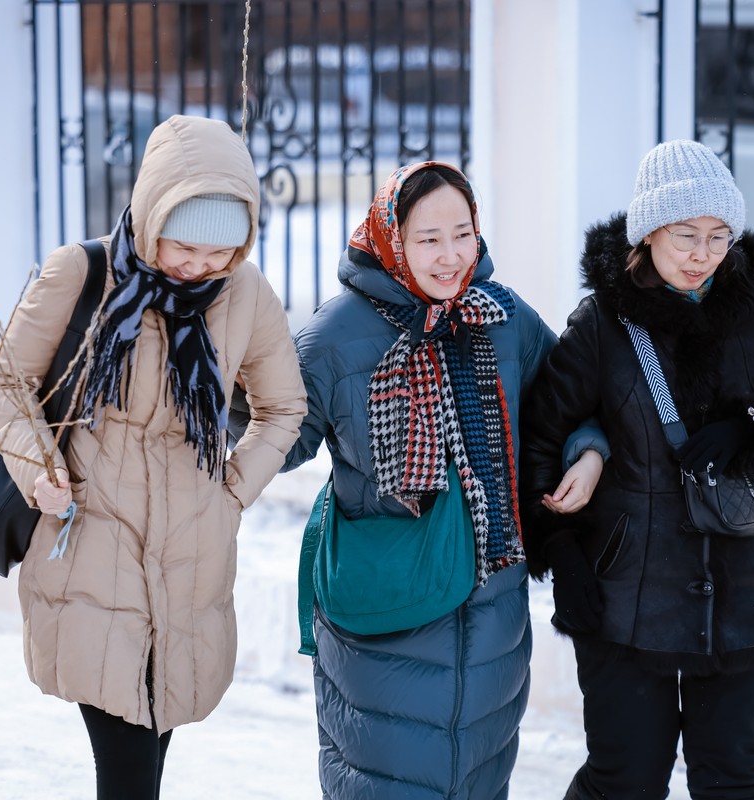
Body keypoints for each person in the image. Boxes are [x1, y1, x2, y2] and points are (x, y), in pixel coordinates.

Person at [0, 115, 307, 800]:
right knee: (128, 771)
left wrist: (231, 494)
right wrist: (40, 470)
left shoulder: (245, 293)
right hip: (93, 551)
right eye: (182, 244)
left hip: (191, 568)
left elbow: (283, 408)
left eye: (219, 252)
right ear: (151, 208)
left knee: (146, 766)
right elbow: (5, 384)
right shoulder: (83, 274)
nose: (198, 266)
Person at [281, 161, 607, 798]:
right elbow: (273, 440)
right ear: (391, 238)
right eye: (428, 239)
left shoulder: (503, 318)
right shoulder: (335, 336)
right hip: (385, 622)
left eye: (463, 233)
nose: (450, 256)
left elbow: (569, 406)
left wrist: (588, 453)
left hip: (493, 622)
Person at [520, 139, 754, 800]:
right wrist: (562, 552)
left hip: (744, 596)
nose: (701, 253)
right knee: (623, 779)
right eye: (685, 234)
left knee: (736, 780)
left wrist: (748, 431)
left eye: (718, 236)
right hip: (626, 598)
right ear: (648, 233)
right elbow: (544, 435)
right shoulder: (601, 324)